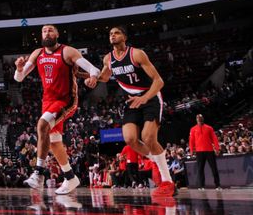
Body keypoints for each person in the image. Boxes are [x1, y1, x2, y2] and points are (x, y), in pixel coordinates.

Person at [13, 24, 100, 194]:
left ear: (57, 34)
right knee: (53, 142)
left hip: (66, 100)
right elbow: (19, 79)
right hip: (47, 101)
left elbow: (93, 69)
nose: (47, 32)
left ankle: (38, 174)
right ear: (41, 35)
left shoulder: (68, 51)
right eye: (44, 31)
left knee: (42, 125)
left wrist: (93, 78)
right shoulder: (37, 53)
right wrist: (18, 69)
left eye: (51, 30)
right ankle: (70, 177)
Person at [97, 25, 175, 197]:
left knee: (148, 137)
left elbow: (159, 81)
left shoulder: (137, 54)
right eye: (110, 33)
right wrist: (86, 76)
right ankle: (156, 159)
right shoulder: (108, 59)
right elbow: (103, 77)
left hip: (150, 97)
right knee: (130, 139)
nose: (113, 35)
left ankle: (168, 181)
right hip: (132, 100)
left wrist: (145, 97)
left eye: (116, 33)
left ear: (124, 37)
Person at [189, 114, 221, 190]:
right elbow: (191, 141)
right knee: (200, 169)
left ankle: (217, 185)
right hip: (199, 152)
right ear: (196, 119)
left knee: (214, 168)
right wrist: (191, 150)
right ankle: (201, 186)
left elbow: (214, 139)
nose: (199, 119)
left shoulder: (209, 128)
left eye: (200, 118)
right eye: (198, 118)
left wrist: (217, 148)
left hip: (209, 151)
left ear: (203, 118)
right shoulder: (193, 129)